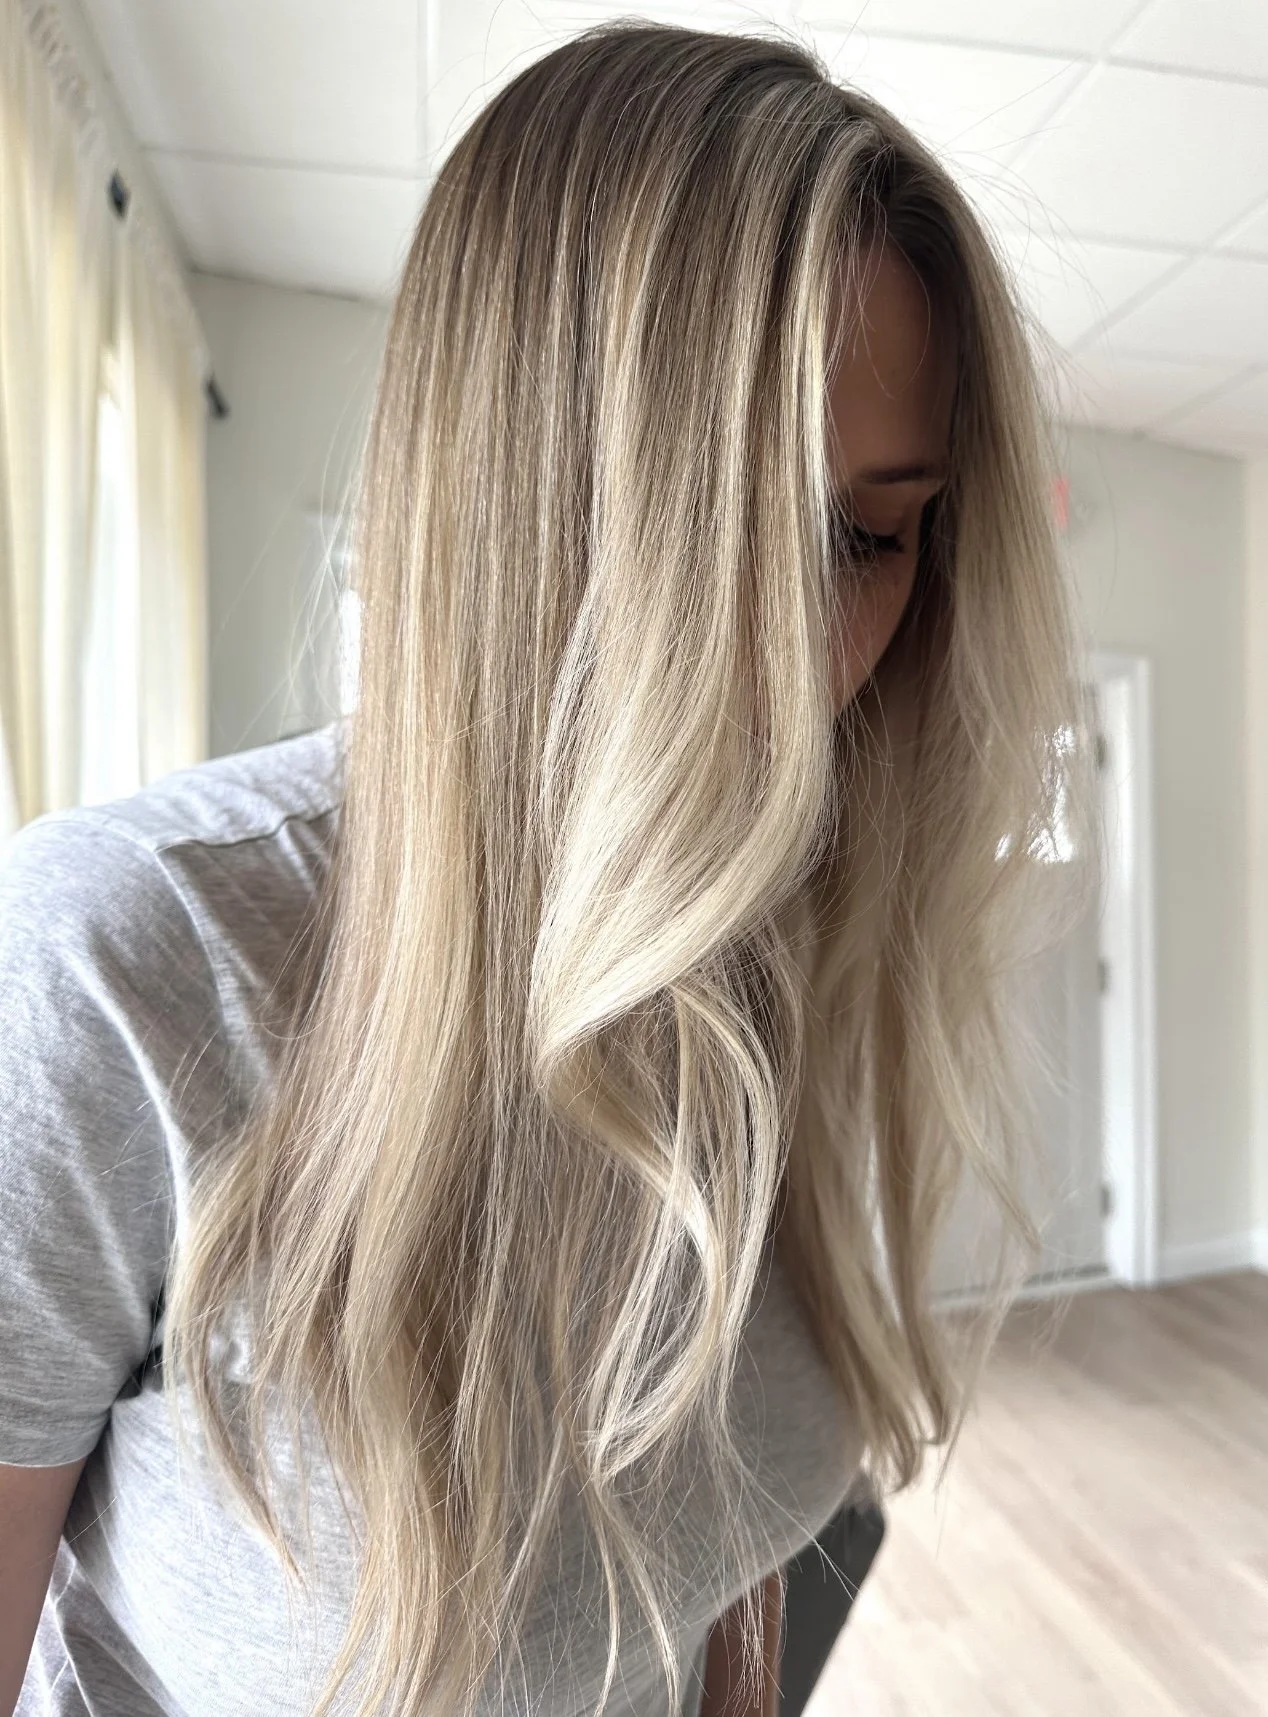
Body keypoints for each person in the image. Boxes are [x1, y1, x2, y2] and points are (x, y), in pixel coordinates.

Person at [0, 20, 1099, 1717]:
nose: (789, 663)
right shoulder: (117, 975)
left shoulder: (783, 941)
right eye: (705, 536)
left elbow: (717, 1572)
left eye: (864, 538)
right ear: (506, 493)